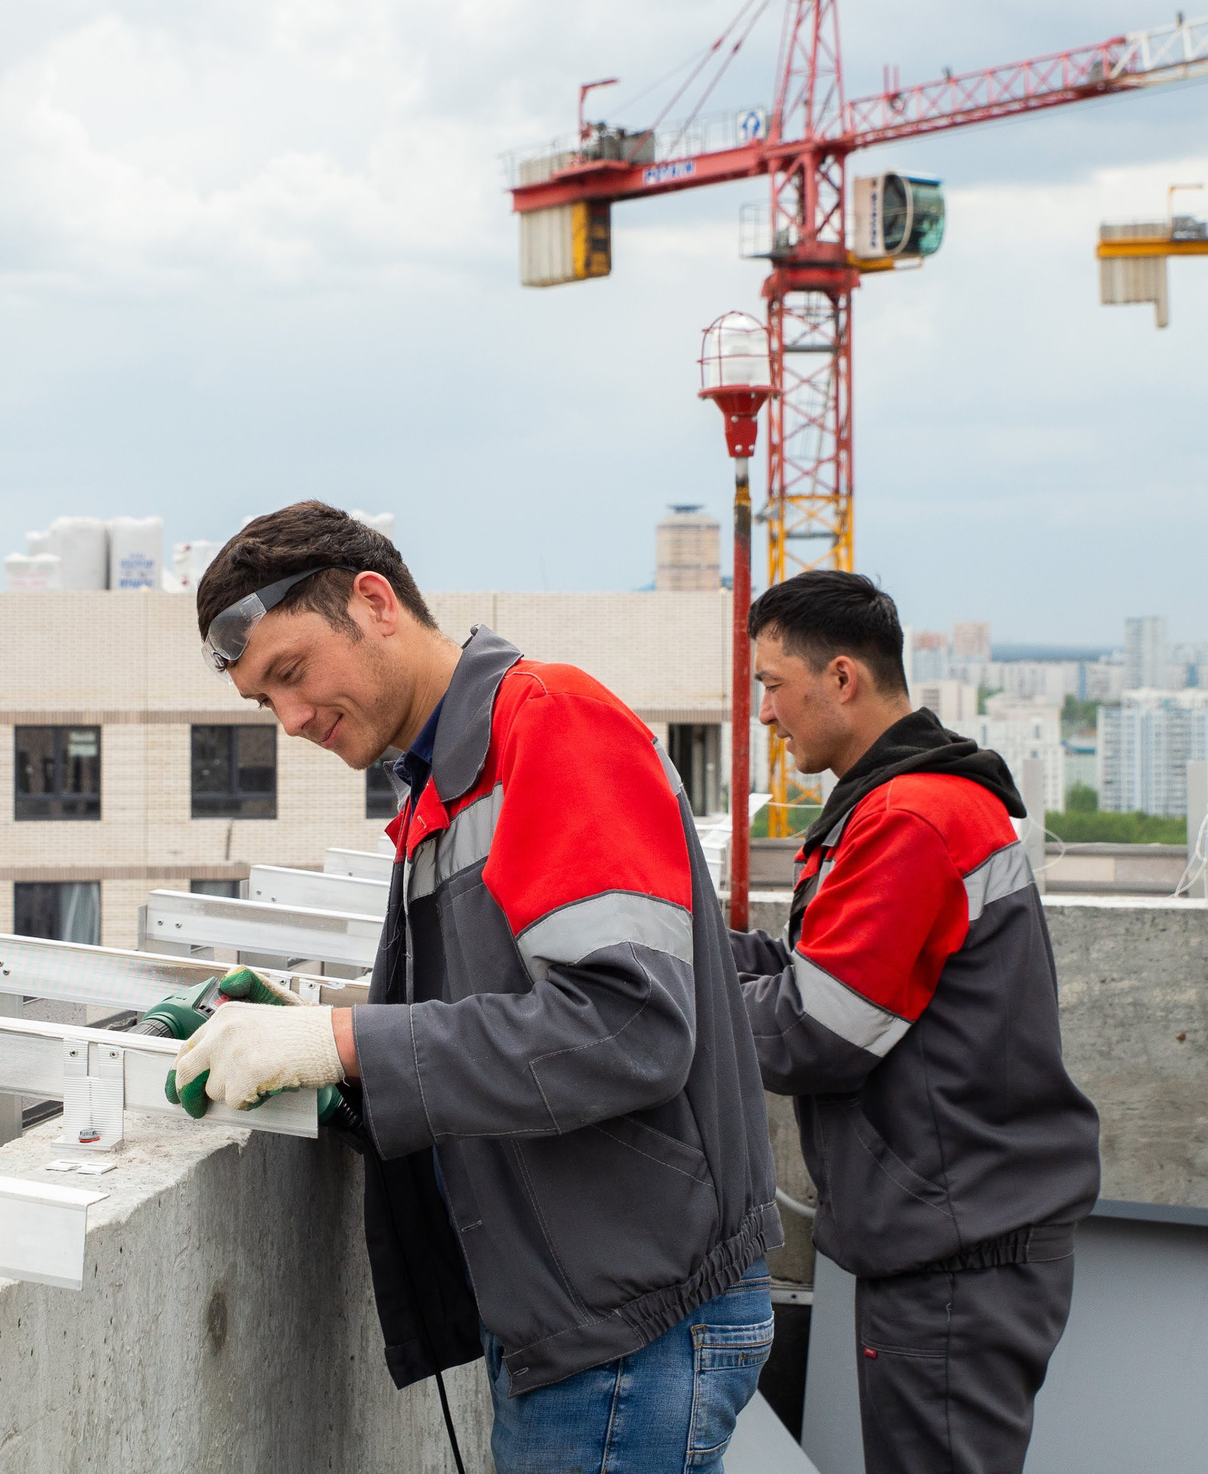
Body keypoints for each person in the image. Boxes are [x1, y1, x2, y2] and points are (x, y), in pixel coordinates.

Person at [166, 501, 781, 1473]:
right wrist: (327, 1047)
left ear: (374, 602)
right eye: (262, 701)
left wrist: (345, 1041)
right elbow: (491, 1025)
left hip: (631, 1325)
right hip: (576, 1311)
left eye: (290, 671)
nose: (290, 719)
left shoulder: (550, 725)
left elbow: (630, 1026)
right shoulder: (445, 784)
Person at [731, 569, 1100, 1474]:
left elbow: (815, 1033)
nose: (766, 714)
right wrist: (683, 945)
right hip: (954, 1237)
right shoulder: (909, 800)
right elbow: (820, 977)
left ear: (842, 678)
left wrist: (669, 999)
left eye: (773, 685)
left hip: (957, 1252)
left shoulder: (911, 817)